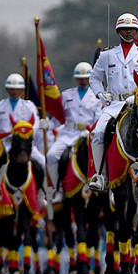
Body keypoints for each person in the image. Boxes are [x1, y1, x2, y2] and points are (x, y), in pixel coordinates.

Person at [88, 13, 138, 192]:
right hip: (115, 104)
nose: (128, 32)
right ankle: (101, 175)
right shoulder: (107, 55)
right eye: (125, 29)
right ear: (118, 31)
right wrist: (100, 93)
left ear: (137, 31)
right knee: (97, 133)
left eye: (132, 29)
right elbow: (94, 78)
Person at [45, 61, 102, 200]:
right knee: (51, 155)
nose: (82, 81)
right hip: (68, 133)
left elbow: (98, 119)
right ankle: (58, 188)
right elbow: (60, 118)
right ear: (76, 79)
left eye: (85, 78)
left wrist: (91, 131)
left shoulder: (97, 96)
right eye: (80, 78)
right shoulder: (66, 95)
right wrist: (47, 125)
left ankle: (102, 184)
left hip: (88, 134)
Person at [0, 73, 40, 153]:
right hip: (5, 144)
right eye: (12, 89)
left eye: (18, 89)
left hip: (25, 144)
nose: (14, 92)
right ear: (7, 89)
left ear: (22, 90)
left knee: (42, 159)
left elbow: (35, 123)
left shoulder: (29, 106)